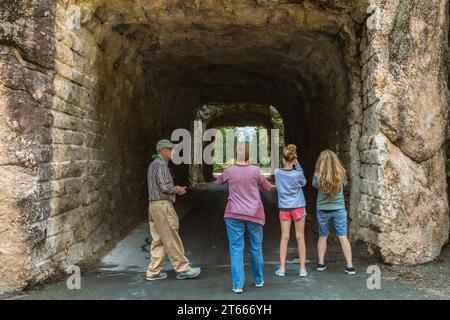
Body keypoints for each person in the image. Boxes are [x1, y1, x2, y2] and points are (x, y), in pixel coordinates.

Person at [215, 143, 272, 294]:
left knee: (236, 249)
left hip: (233, 214)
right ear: (249, 155)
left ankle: (237, 285)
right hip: (254, 214)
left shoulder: (229, 170)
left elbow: (218, 181)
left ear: (235, 154)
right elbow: (267, 187)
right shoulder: (255, 170)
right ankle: (258, 280)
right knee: (256, 247)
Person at [146, 139, 201, 280]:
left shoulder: (154, 165)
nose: (173, 152)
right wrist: (178, 189)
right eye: (171, 149)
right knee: (171, 236)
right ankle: (183, 269)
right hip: (163, 205)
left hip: (153, 205)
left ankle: (153, 272)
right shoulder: (161, 165)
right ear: (163, 150)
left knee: (158, 239)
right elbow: (165, 187)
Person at [312, 150, 356, 275]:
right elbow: (344, 185)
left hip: (322, 209)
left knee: (323, 236)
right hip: (339, 209)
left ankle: (321, 263)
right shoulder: (341, 173)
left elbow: (314, 185)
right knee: (343, 236)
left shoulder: (317, 175)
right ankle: (350, 266)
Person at [274, 144, 308, 277]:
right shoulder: (298, 174)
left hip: (284, 208)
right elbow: (303, 183)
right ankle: (302, 268)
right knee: (300, 237)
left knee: (284, 237)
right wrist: (297, 165)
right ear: (294, 160)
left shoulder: (277, 173)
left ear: (283, 160)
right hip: (298, 207)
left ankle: (282, 268)